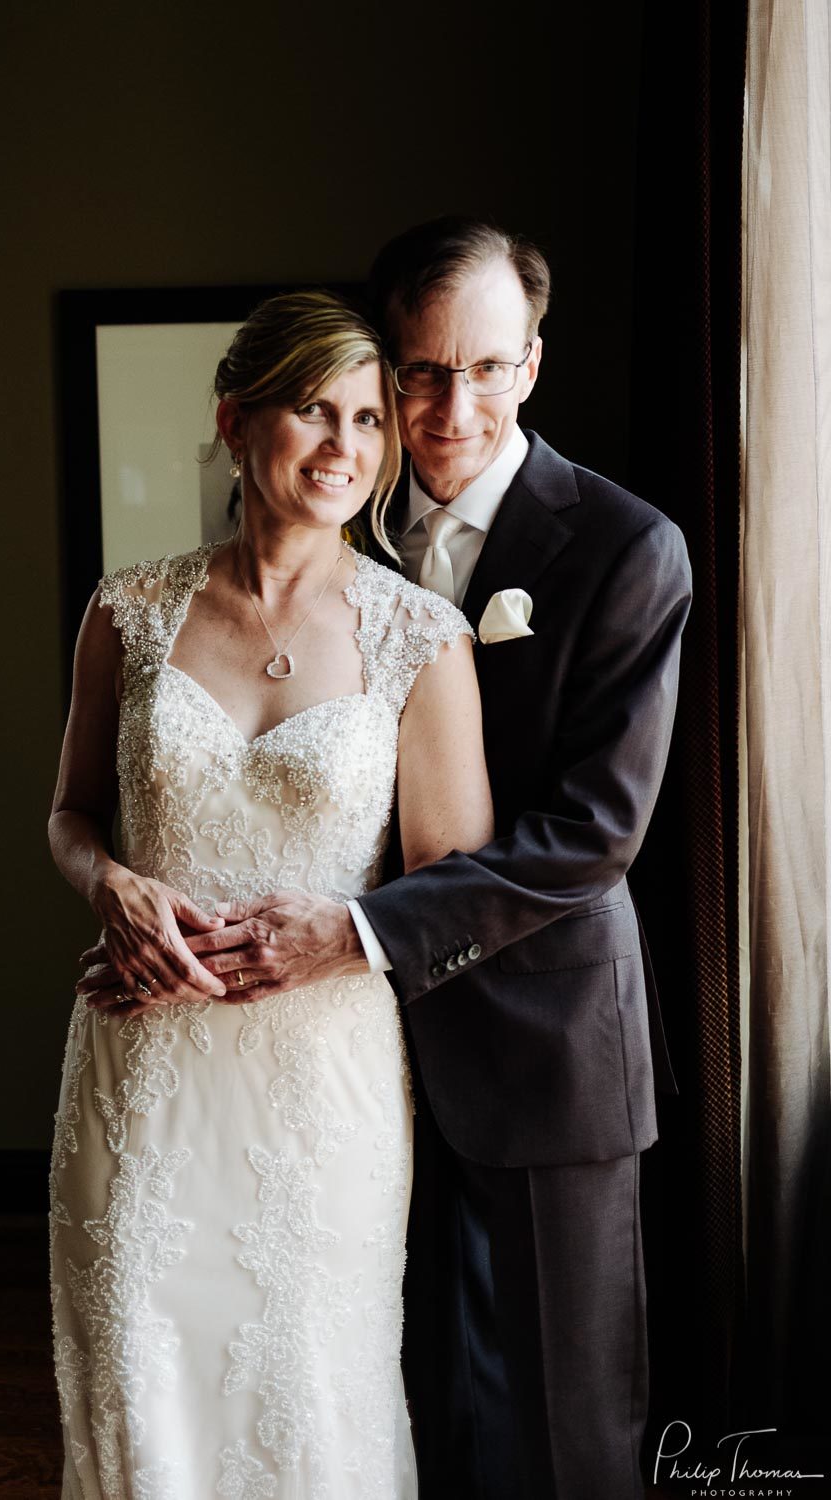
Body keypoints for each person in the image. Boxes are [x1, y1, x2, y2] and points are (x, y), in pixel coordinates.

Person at [82, 218, 693, 1498]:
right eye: (416, 373)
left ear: (530, 364)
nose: (444, 406)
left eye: (482, 369)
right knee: (387, 1413)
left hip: (537, 1042)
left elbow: (593, 833)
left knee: (566, 1435)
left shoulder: (627, 548)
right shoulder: (326, 519)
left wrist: (354, 935)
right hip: (328, 1067)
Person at [48, 288, 493, 1498]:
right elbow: (71, 815)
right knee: (143, 1378)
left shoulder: (420, 638)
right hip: (143, 1068)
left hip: (322, 1087)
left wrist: (339, 940)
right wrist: (114, 894)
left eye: (366, 419)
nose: (347, 446)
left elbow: (451, 891)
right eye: (313, 410)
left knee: (306, 1390)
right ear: (235, 420)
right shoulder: (128, 611)